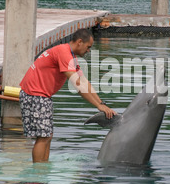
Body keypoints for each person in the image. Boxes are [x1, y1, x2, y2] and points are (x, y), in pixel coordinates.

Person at [19, 28, 116, 163]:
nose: (88, 51)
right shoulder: (64, 53)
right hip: (35, 95)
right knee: (43, 137)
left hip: (40, 95)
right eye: (88, 47)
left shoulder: (70, 56)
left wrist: (102, 104)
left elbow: (84, 82)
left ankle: (43, 168)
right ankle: (37, 174)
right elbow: (77, 85)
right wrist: (98, 106)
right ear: (80, 42)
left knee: (47, 135)